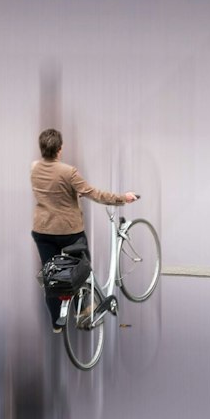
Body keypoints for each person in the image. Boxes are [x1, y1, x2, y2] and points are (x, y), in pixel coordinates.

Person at [30, 128, 136, 331]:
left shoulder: (34, 168)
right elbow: (93, 193)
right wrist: (123, 197)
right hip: (69, 232)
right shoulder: (68, 172)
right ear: (60, 149)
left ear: (42, 148)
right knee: (83, 271)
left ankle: (56, 325)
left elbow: (49, 190)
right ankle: (83, 312)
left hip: (43, 232)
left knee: (52, 277)